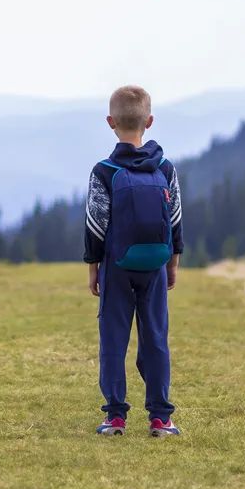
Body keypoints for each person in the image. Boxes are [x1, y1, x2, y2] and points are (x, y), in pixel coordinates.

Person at [84, 85, 183, 437]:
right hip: (154, 266)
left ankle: (115, 417)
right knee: (155, 338)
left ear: (110, 122)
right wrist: (172, 264)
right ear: (150, 121)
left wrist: (93, 267)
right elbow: (175, 220)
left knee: (113, 339)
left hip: (117, 267)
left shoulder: (104, 171)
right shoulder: (165, 168)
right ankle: (161, 418)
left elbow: (96, 223)